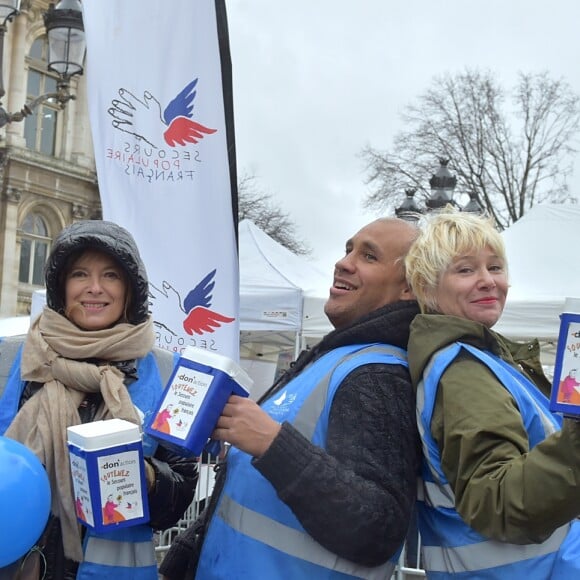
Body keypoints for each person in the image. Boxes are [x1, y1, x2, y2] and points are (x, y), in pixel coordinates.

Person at [159, 217, 421, 579]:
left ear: (409, 288)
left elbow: (379, 528)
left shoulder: (378, 375)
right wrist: (182, 560)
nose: (344, 262)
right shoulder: (337, 358)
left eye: (369, 256)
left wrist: (272, 444)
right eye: (349, 249)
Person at [0, 220, 199, 579]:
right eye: (80, 274)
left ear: (130, 289)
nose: (94, 288)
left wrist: (147, 478)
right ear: (61, 286)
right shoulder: (14, 360)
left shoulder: (169, 373)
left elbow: (182, 494)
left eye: (110, 275)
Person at [404, 209, 580, 579]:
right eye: (465, 270)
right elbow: (498, 501)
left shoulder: (482, 359)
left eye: (495, 267)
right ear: (426, 286)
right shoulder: (464, 372)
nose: (488, 281)